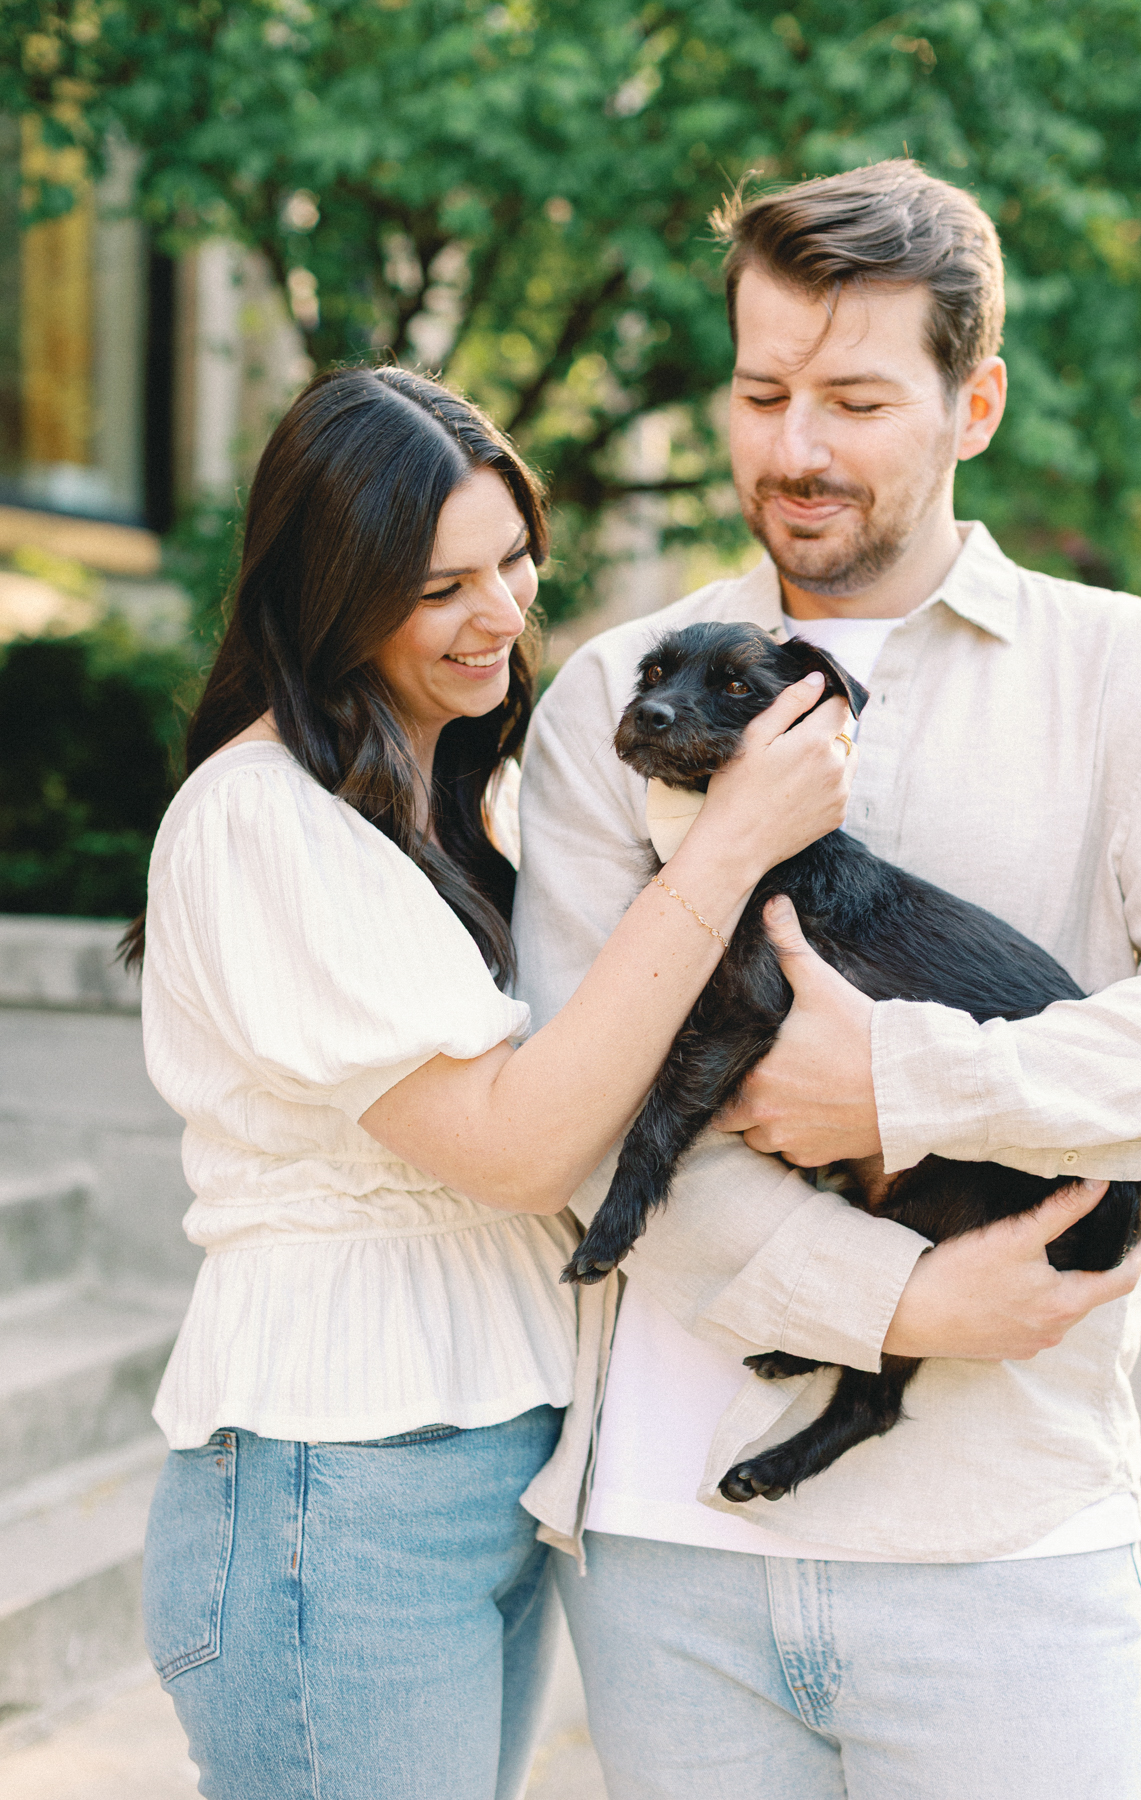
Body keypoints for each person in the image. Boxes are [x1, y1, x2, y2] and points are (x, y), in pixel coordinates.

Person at [514, 160, 1141, 1798]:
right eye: (760, 391)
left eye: (855, 398)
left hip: (1006, 1549)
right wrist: (893, 1301)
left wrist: (907, 1079)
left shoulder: (1132, 676)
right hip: (665, 1563)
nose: (794, 446)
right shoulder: (614, 693)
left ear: (977, 402)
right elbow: (576, 1102)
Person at [133, 365, 855, 1800]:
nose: (505, 617)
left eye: (516, 560)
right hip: (332, 1489)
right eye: (439, 586)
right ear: (328, 593)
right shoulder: (259, 821)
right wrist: (727, 850)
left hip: (481, 1469)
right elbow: (520, 1144)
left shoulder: (458, 802)